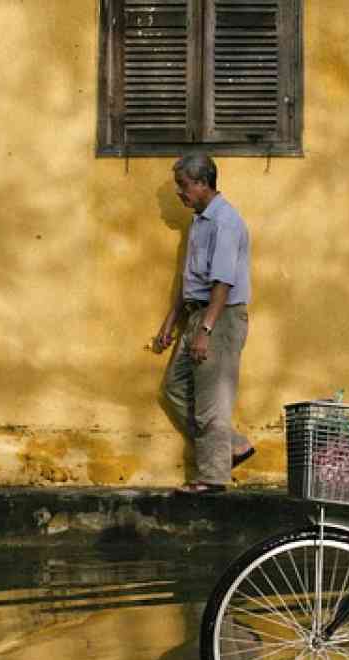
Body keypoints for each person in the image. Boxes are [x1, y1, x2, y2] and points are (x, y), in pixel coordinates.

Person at [147, 153, 257, 495]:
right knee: (174, 389)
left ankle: (212, 478)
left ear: (202, 183)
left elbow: (222, 282)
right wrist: (170, 322)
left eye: (183, 186)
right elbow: (188, 277)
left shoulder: (226, 222)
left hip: (219, 317)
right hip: (198, 314)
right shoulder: (200, 220)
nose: (179, 194)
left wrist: (206, 331)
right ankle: (233, 446)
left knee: (212, 401)